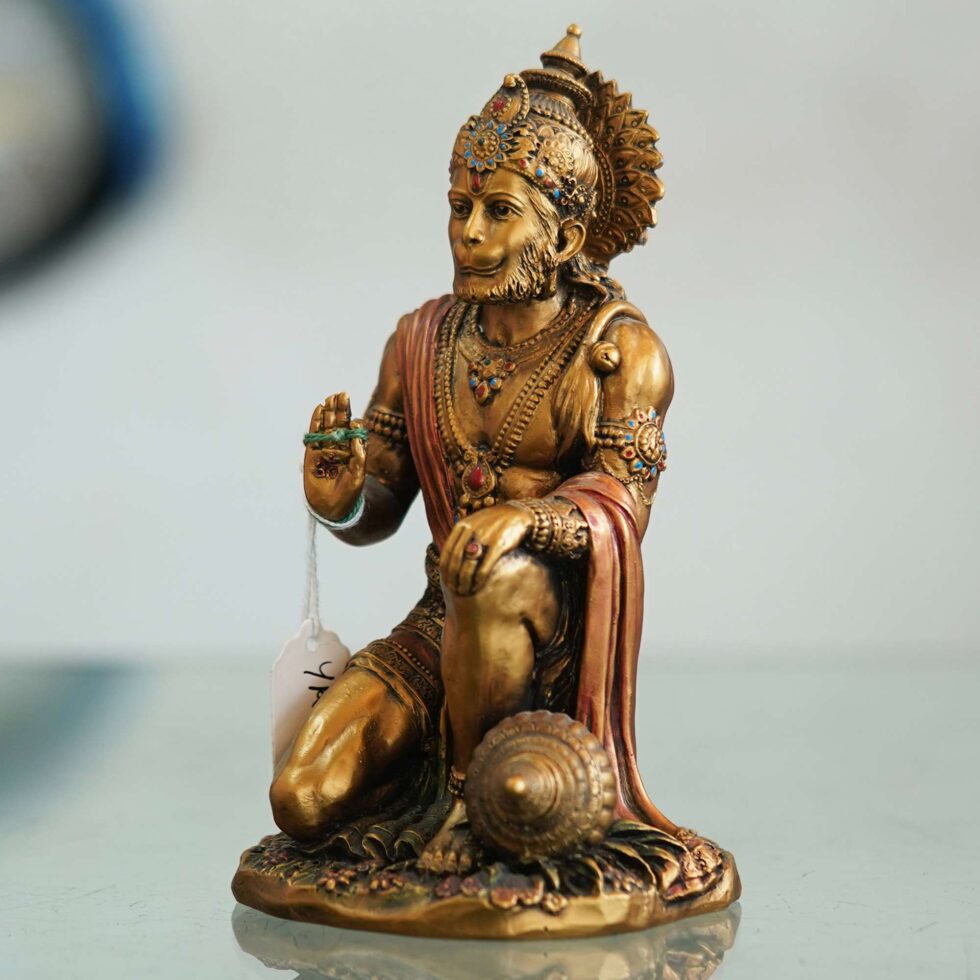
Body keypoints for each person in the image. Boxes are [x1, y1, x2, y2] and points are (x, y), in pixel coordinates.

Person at [269, 26, 721, 890]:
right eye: (459, 207)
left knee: (495, 579)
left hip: (548, 630)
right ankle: (416, 787)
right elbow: (382, 503)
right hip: (441, 617)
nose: (468, 234)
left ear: (565, 236)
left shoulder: (619, 354)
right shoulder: (421, 340)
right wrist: (343, 497)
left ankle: (474, 806)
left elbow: (622, 510)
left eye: (499, 212)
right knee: (302, 800)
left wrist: (519, 521)